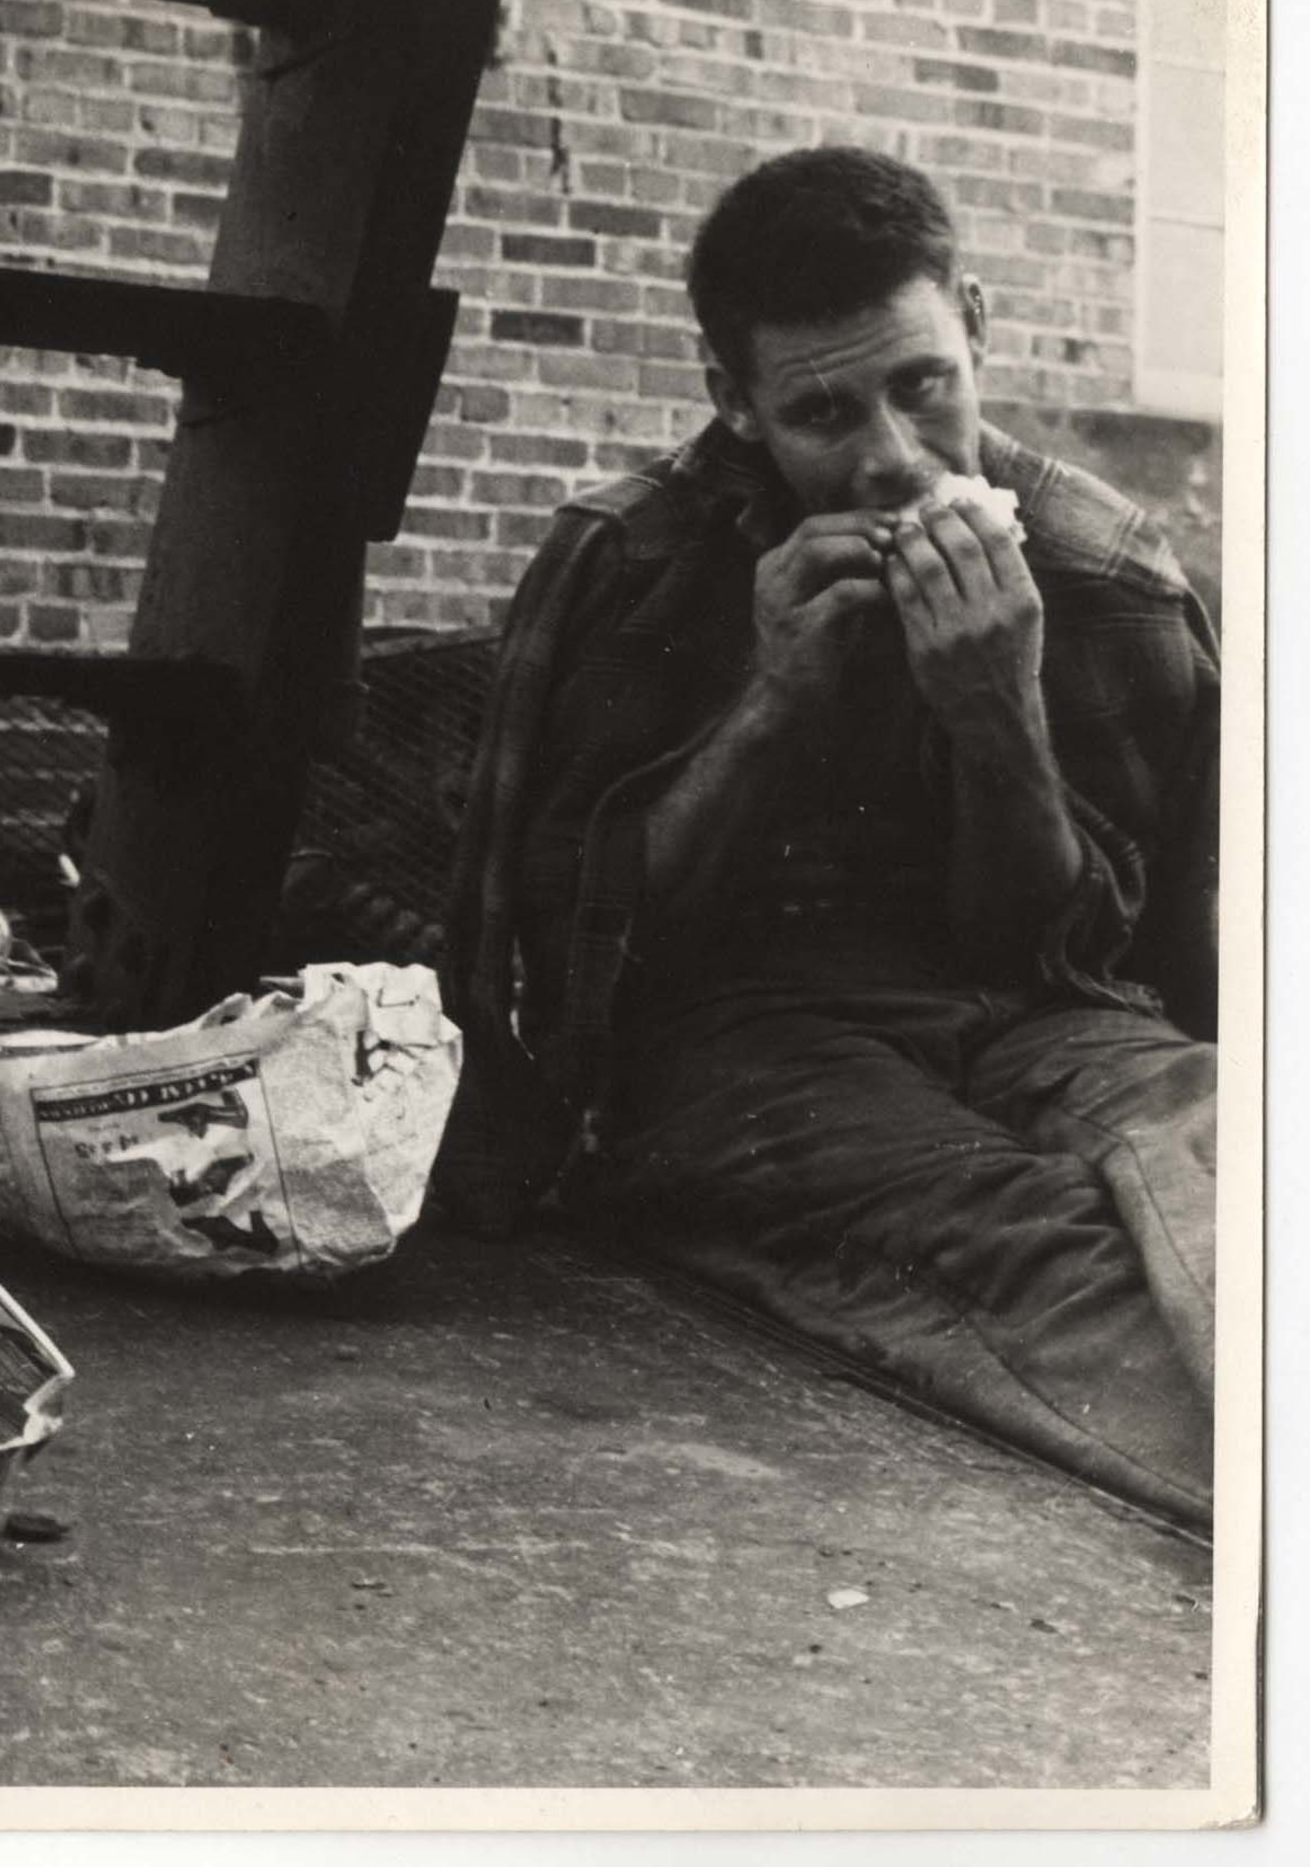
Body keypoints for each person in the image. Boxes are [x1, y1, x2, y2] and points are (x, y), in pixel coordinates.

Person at [435, 146, 1219, 1528]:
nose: (892, 461)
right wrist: (772, 704)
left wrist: (997, 715)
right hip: (750, 1044)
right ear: (735, 402)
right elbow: (552, 974)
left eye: (924, 385)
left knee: (1243, 1150)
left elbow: (1110, 965)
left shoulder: (1105, 573)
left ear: (974, 324)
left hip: (1039, 1018)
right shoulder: (635, 563)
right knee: (1029, 1248)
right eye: (821, 412)